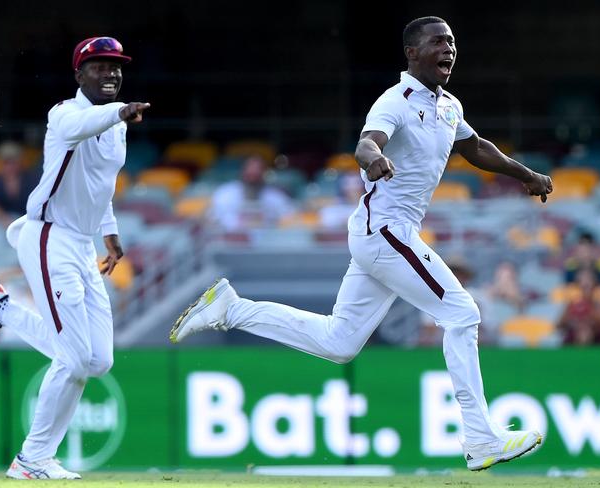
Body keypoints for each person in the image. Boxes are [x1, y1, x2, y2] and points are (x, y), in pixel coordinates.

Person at [169, 17, 552, 471]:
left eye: (452, 42)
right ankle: (481, 438)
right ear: (411, 52)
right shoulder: (396, 100)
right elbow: (367, 142)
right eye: (437, 42)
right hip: (387, 230)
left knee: (340, 342)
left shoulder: (448, 105)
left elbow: (474, 148)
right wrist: (374, 161)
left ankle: (232, 309)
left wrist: (525, 175)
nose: (448, 49)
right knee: (462, 313)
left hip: (382, 235)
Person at [0, 36, 150, 479]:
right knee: (72, 360)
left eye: (116, 66)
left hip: (82, 242)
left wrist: (110, 235)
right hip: (48, 235)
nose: (110, 72)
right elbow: (79, 128)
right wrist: (122, 109)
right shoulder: (63, 114)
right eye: (99, 66)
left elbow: (100, 185)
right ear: (79, 75)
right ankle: (32, 460)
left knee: (97, 359)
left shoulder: (116, 124)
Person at [209, 155, 295, 232]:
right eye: (249, 175)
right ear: (242, 172)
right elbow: (212, 221)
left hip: (268, 244)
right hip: (230, 244)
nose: (252, 180)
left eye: (256, 176)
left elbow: (292, 221)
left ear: (264, 174)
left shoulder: (276, 197)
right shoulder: (224, 194)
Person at [0, 141, 39, 227]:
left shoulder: (33, 180)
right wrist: (5, 220)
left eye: (13, 162)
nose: (10, 167)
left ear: (21, 162)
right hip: (1, 224)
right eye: (6, 163)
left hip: (28, 223)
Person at [556, 268, 600, 345]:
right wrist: (572, 320)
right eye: (582, 279)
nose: (585, 282)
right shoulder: (572, 303)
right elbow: (559, 326)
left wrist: (589, 311)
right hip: (575, 339)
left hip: (599, 340)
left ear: (595, 282)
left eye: (588, 278)